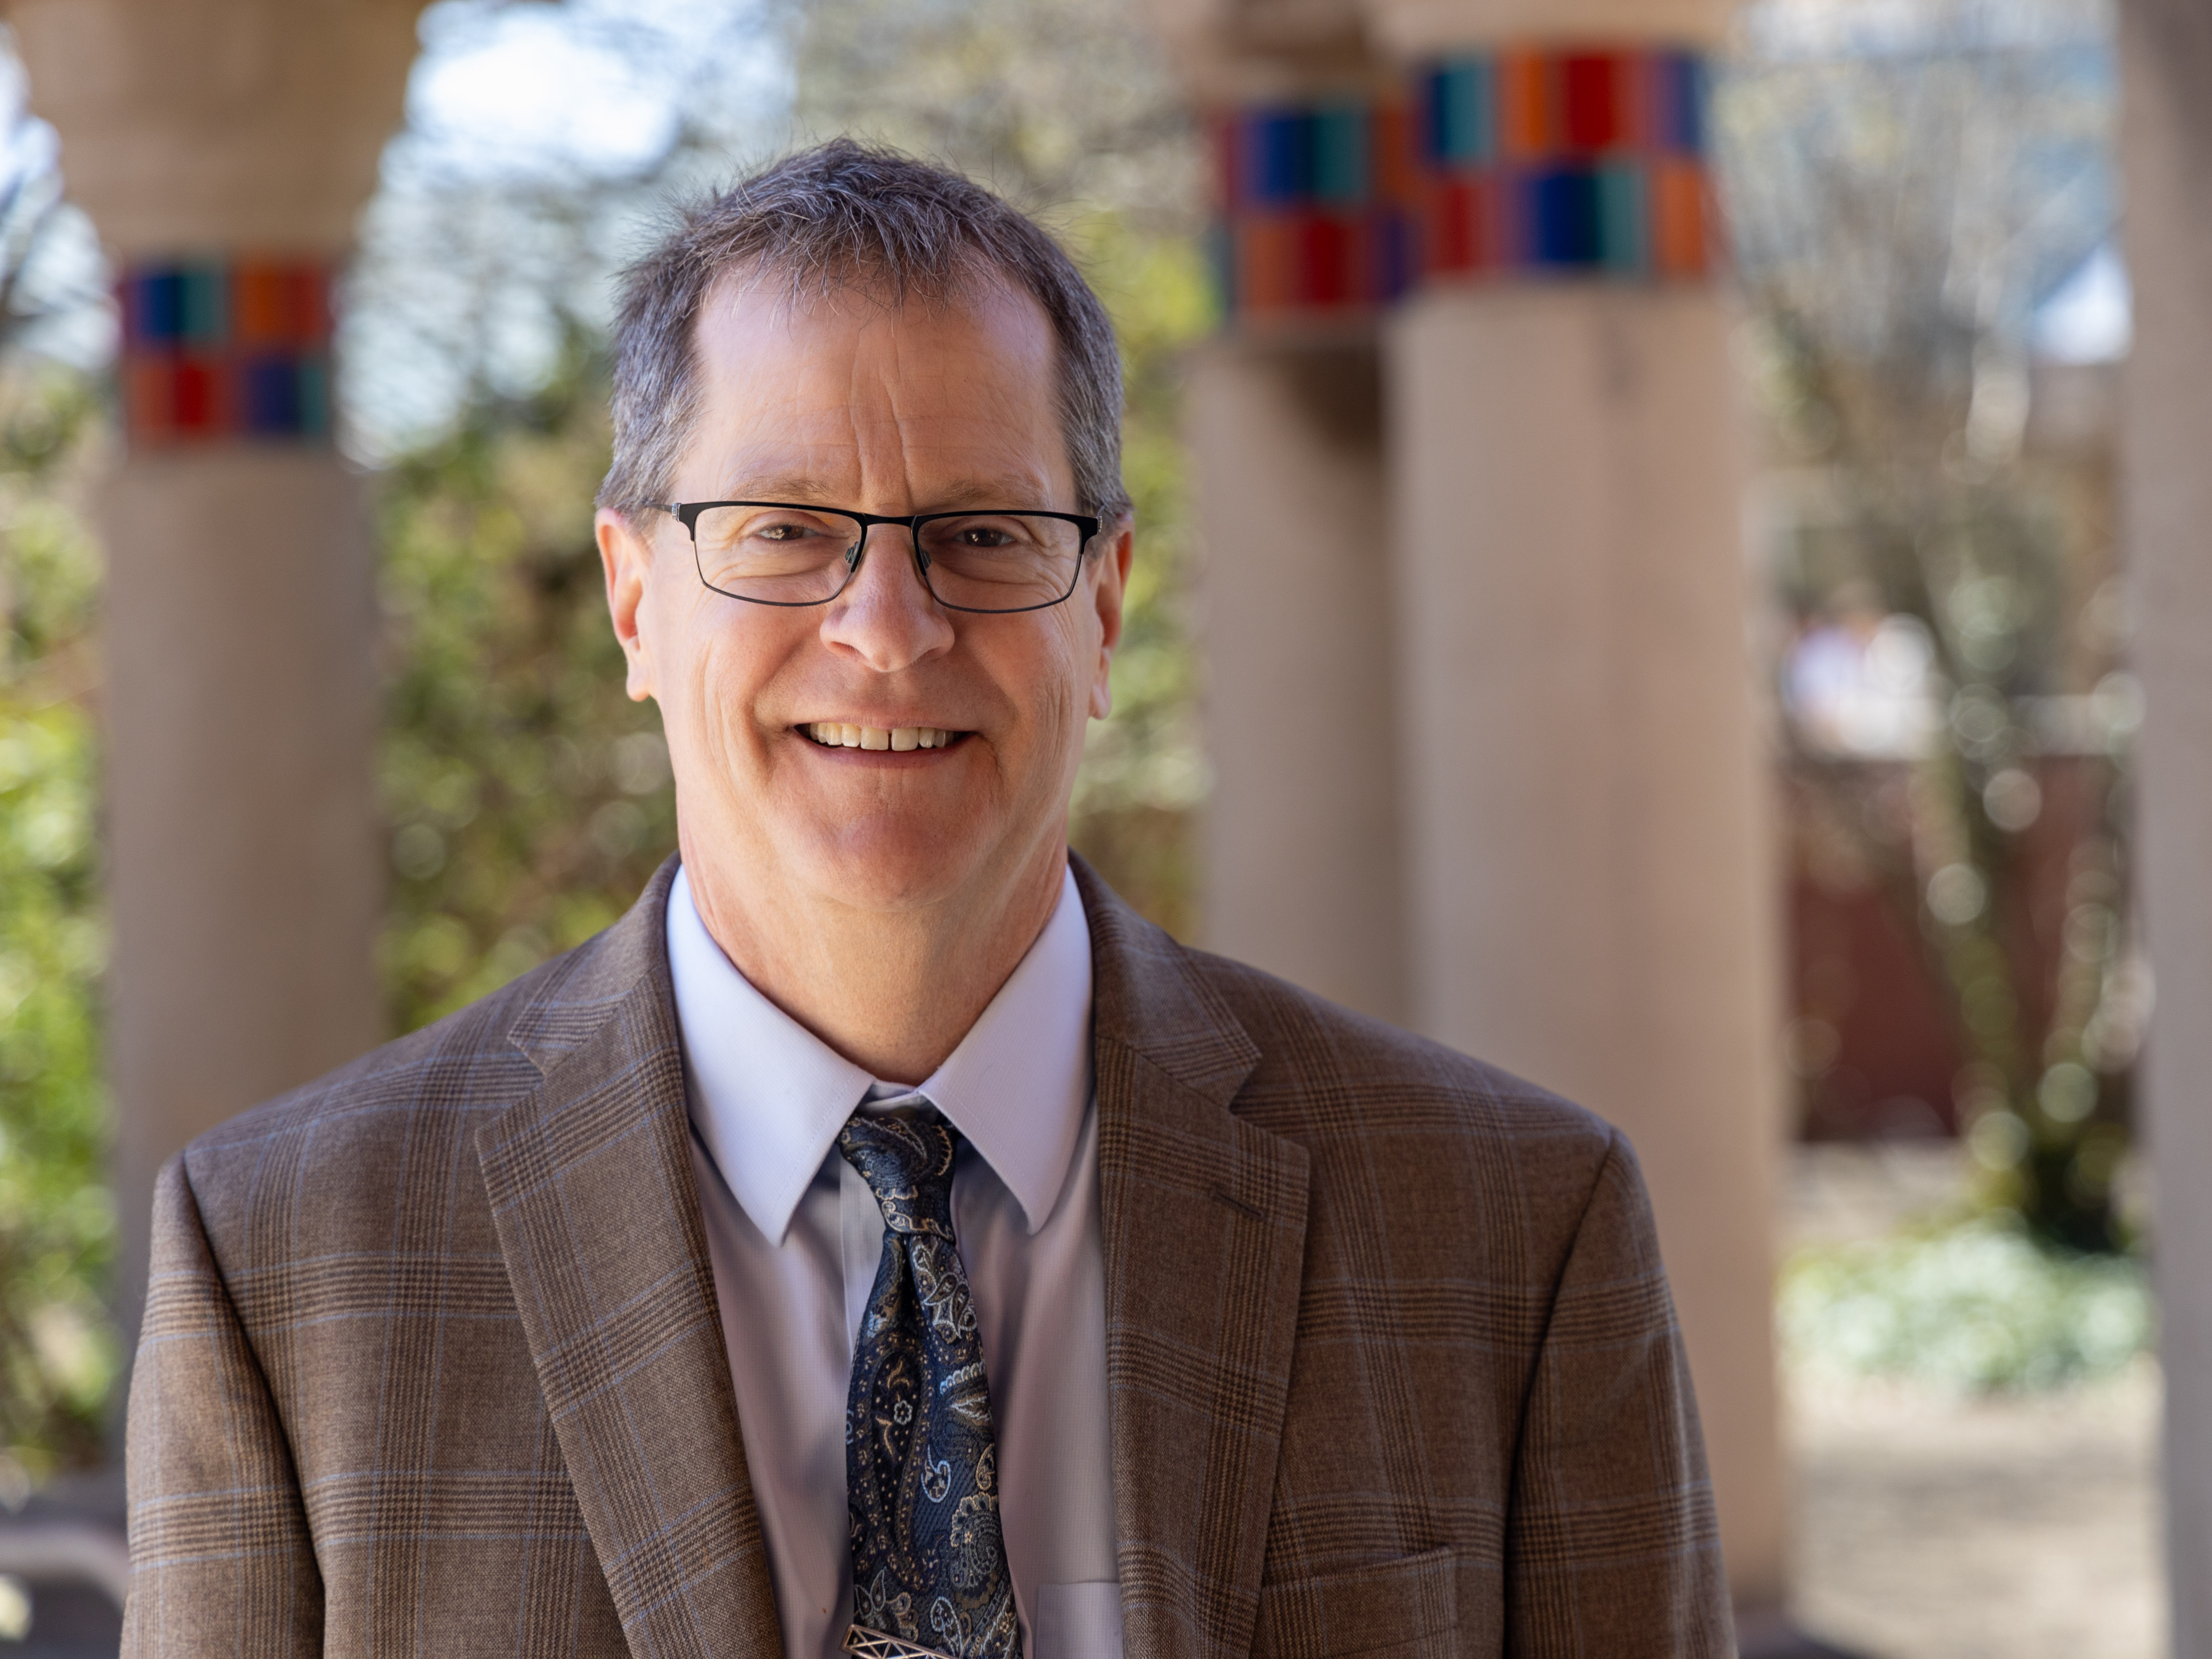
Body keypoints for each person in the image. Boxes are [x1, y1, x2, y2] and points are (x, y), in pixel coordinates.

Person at [124, 141, 1731, 1659]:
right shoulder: (291, 1268)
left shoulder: (1515, 1232)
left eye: (980, 532)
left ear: (1101, 608)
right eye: (784, 533)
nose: (887, 629)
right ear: (634, 597)